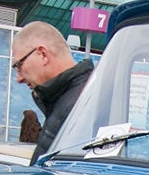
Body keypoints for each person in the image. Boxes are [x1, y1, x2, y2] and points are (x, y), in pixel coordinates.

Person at [12, 22, 93, 160]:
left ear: (43, 54)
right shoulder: (79, 97)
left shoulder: (81, 104)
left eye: (19, 65)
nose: (18, 78)